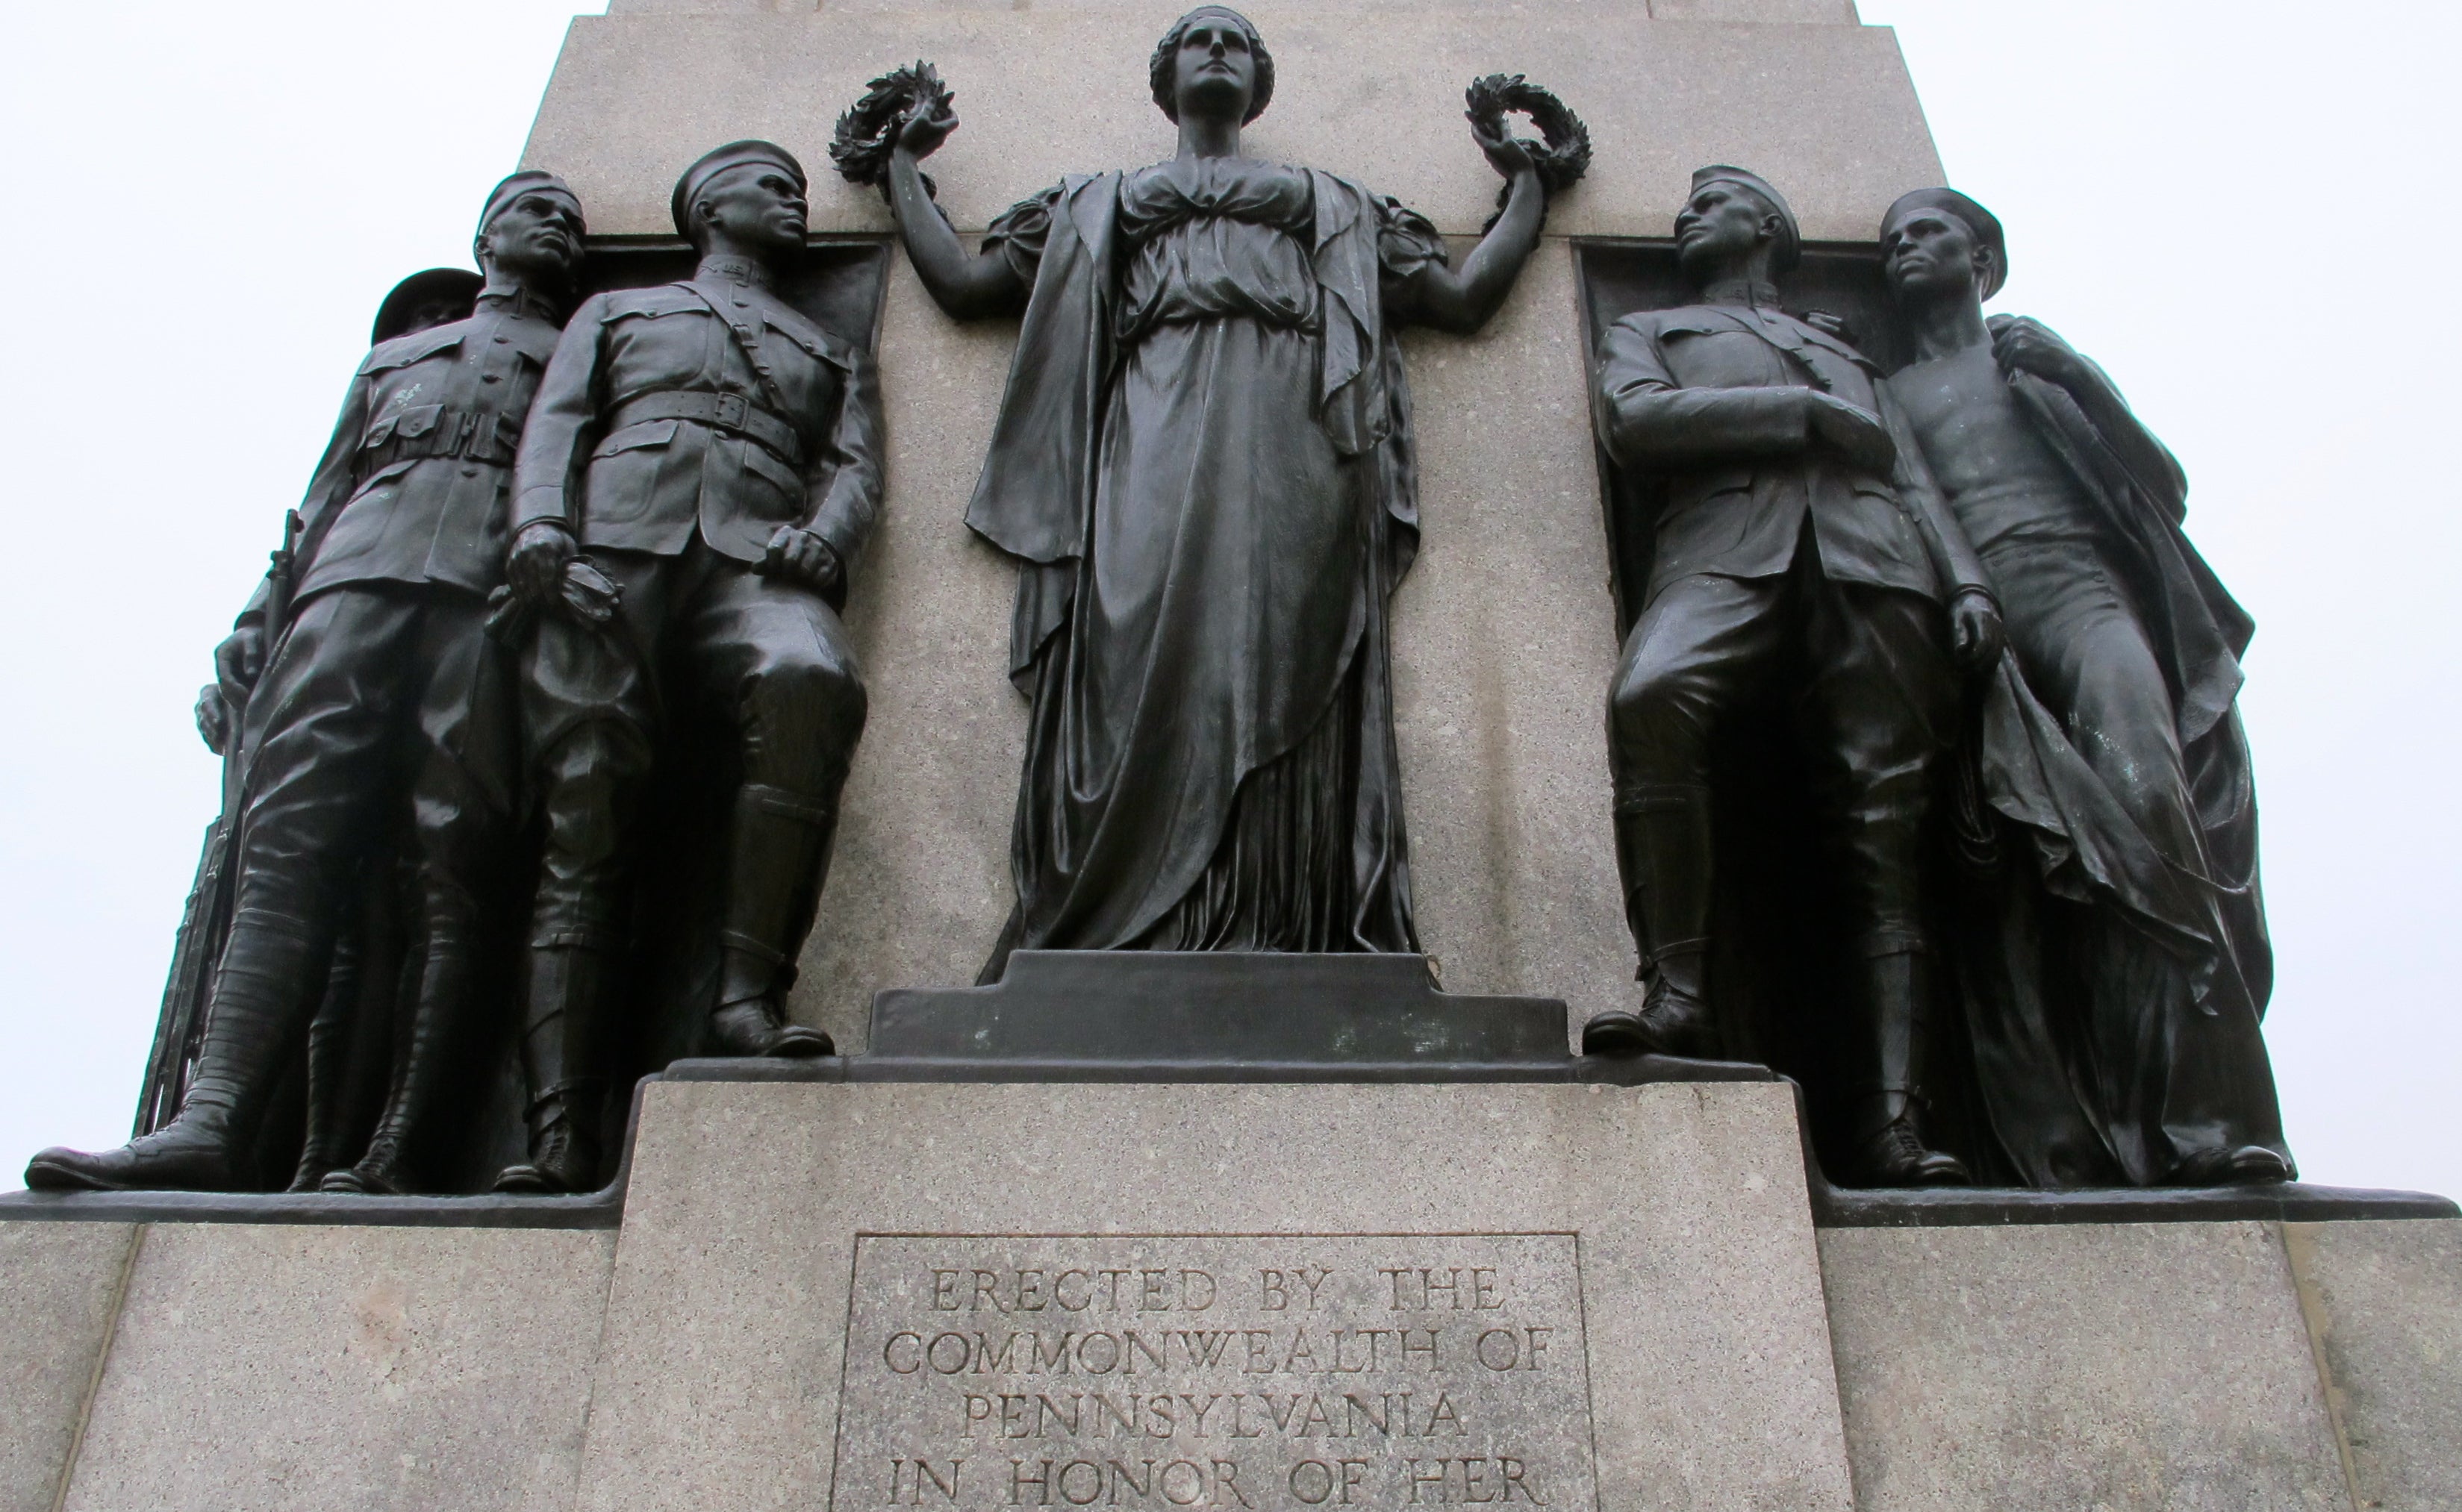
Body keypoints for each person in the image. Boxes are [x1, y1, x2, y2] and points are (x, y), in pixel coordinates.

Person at [877, 7, 1548, 969]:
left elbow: (1460, 297)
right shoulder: (1098, 201)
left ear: (1260, 82)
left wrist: (1528, 185)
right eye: (1201, 38)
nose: (1220, 49)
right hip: (1145, 436)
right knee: (1135, 643)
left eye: (1238, 40)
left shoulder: (1333, 201)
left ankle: (1281, 927)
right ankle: (1117, 920)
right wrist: (902, 169)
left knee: (1272, 643)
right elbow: (966, 284)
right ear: (1167, 77)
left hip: (1298, 446)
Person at [29, 174, 588, 1193]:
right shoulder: (392, 359)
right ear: (486, 234)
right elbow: (322, 497)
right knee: (287, 852)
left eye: (569, 216)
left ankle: (403, 1144)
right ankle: (212, 1120)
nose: (556, 224)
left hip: (483, 606)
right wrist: (255, 617)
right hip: (347, 593)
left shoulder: (580, 355)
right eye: (532, 209)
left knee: (451, 865)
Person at [1585, 166, 1999, 1186]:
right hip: (1724, 549)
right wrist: (1801, 415)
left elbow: (1908, 470)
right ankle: (1676, 989)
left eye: (1714, 202)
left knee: (1882, 828)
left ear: (1768, 226)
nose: (1687, 214)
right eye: (1684, 202)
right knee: (1649, 699)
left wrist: (1965, 582)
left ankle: (1893, 1119)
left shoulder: (1841, 343)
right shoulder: (1651, 328)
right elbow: (1635, 425)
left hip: (1876, 564)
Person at [1880, 187, 2290, 1185]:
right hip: (1979, 625)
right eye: (1890, 239)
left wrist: (2079, 381)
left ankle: (2216, 1120)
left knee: (2152, 809)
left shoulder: (2029, 358)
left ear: (1981, 258)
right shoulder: (1890, 391)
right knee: (2028, 867)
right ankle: (2083, 1130)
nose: (1900, 249)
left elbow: (2164, 486)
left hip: (2081, 591)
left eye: (1925, 233)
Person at [496, 139, 883, 1193]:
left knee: (812, 681)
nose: (793, 203)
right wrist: (539, 528)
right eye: (771, 187)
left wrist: (830, 538)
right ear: (710, 206)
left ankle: (744, 993)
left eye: (800, 191)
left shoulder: (822, 343)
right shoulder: (616, 313)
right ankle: (558, 1127)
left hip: (754, 557)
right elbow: (558, 424)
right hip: (613, 554)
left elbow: (856, 462)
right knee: (587, 812)